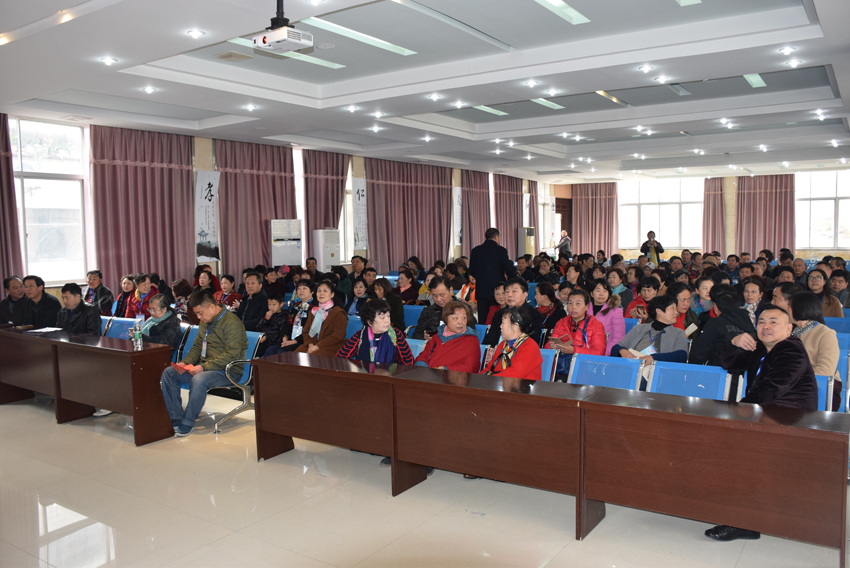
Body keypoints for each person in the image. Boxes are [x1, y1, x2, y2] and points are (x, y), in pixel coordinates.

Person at [705, 305, 818, 542]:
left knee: (737, 448)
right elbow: (727, 361)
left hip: (790, 421)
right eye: (762, 322)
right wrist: (734, 340)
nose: (766, 326)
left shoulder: (791, 350)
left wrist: (738, 413)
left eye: (773, 322)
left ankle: (743, 521)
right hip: (765, 416)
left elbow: (770, 389)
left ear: (788, 329)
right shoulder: (762, 348)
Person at [160, 289, 248, 437]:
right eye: (196, 314)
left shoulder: (231, 323)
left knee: (200, 379)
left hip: (228, 371)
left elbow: (232, 355)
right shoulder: (205, 321)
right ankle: (175, 418)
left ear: (212, 307)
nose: (198, 317)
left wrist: (203, 367)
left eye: (200, 313)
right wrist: (185, 363)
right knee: (169, 373)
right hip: (206, 368)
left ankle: (188, 422)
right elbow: (197, 346)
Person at [613, 295, 689, 380]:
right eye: (673, 308)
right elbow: (616, 348)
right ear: (659, 311)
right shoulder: (639, 329)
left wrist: (653, 358)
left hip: (657, 376)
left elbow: (681, 356)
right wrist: (622, 351)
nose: (676, 312)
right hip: (631, 370)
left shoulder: (678, 333)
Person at [789, 292, 842, 410]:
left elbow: (825, 370)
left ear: (799, 308)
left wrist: (794, 380)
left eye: (789, 306)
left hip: (820, 388)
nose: (786, 310)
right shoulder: (791, 332)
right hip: (795, 386)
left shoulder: (825, 333)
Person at [689, 287, 756, 367]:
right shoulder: (748, 323)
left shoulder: (716, 322)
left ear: (716, 307)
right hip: (744, 371)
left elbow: (698, 353)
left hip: (716, 370)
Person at [547, 289, 607, 376]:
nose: (573, 307)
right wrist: (551, 347)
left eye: (578, 304)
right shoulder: (561, 322)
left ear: (586, 307)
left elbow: (599, 353)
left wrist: (574, 350)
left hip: (586, 372)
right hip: (560, 369)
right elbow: (548, 346)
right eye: (570, 303)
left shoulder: (596, 325)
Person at [337, 299, 415, 365]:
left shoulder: (395, 334)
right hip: (365, 375)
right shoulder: (359, 336)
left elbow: (409, 362)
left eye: (388, 316)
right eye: (382, 317)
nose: (387, 321)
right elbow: (340, 358)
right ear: (370, 322)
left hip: (390, 375)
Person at [413, 301, 482, 374]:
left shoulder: (471, 340)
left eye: (464, 318)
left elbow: (472, 367)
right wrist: (424, 368)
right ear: (446, 319)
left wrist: (442, 370)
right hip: (430, 376)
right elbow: (422, 357)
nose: (460, 322)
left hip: (454, 378)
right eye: (455, 318)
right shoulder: (437, 336)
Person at [468, 228, 518, 327]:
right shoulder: (501, 250)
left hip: (481, 291)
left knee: (483, 319)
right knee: (499, 318)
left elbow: (472, 271)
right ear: (496, 237)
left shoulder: (475, 251)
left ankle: (484, 336)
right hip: (498, 291)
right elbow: (509, 269)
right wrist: (510, 282)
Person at [482, 307, 543, 381]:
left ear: (515, 326)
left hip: (522, 387)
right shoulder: (503, 344)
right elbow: (490, 368)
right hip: (500, 384)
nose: (500, 326)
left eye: (503, 323)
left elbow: (515, 374)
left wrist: (489, 380)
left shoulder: (530, 346)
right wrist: (479, 379)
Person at [483, 277, 543, 346]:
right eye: (507, 292)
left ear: (525, 295)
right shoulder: (499, 314)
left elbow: (533, 342)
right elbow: (490, 338)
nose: (509, 295)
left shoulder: (534, 315)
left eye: (514, 291)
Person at [295, 281, 348, 357]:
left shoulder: (338, 312)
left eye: (325, 291)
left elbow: (337, 335)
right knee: (296, 355)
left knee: (313, 356)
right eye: (319, 291)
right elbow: (306, 332)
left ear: (332, 294)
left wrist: (317, 346)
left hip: (332, 346)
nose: (321, 293)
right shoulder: (313, 311)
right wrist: (310, 345)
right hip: (313, 344)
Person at [266, 280, 315, 356]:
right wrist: (285, 338)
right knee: (270, 351)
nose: (301, 291)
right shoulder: (296, 306)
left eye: (304, 288)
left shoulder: (315, 308)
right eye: (298, 288)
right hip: (291, 339)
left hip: (304, 341)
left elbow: (311, 329)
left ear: (312, 291)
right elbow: (288, 323)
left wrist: (294, 341)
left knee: (282, 352)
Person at [589, 279, 626, 352]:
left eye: (605, 291)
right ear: (591, 294)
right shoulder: (584, 309)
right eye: (598, 291)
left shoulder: (616, 311)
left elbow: (618, 339)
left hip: (605, 352)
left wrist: (602, 352)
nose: (601, 294)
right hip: (585, 351)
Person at [255, 292, 289, 357]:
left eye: (274, 304)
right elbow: (258, 328)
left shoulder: (284, 317)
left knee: (261, 350)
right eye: (269, 304)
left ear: (281, 304)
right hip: (264, 340)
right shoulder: (268, 314)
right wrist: (265, 319)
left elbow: (279, 333)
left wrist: (267, 336)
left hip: (273, 342)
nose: (271, 307)